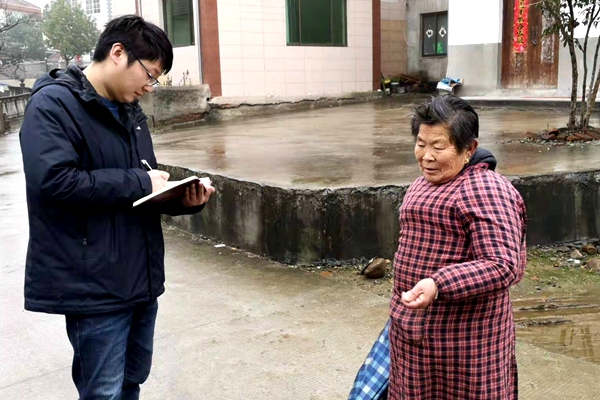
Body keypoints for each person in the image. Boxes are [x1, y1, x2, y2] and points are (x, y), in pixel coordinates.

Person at [19, 15, 214, 399]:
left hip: (140, 278)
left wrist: (181, 200)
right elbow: (55, 182)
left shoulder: (130, 112)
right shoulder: (54, 105)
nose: (150, 86)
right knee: (103, 392)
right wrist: (141, 182)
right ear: (118, 52)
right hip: (94, 286)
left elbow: (135, 194)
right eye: (150, 73)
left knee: (131, 381)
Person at [389, 95, 526, 399]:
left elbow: (502, 265)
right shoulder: (424, 182)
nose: (426, 156)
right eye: (421, 144)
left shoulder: (485, 189)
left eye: (439, 147)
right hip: (414, 332)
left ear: (470, 149)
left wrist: (438, 283)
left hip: (465, 342)